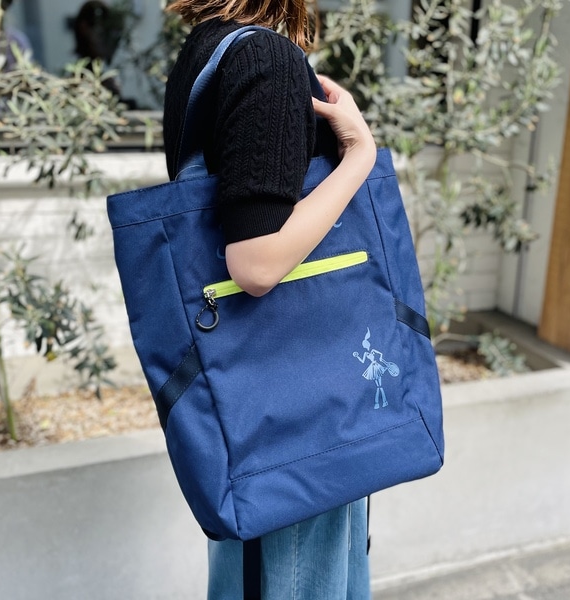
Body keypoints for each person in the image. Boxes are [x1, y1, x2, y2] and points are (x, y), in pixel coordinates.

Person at [163, 1, 377, 598]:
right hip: (297, 413)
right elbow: (256, 262)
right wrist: (360, 154)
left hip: (254, 397)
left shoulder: (206, 52)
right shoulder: (264, 58)